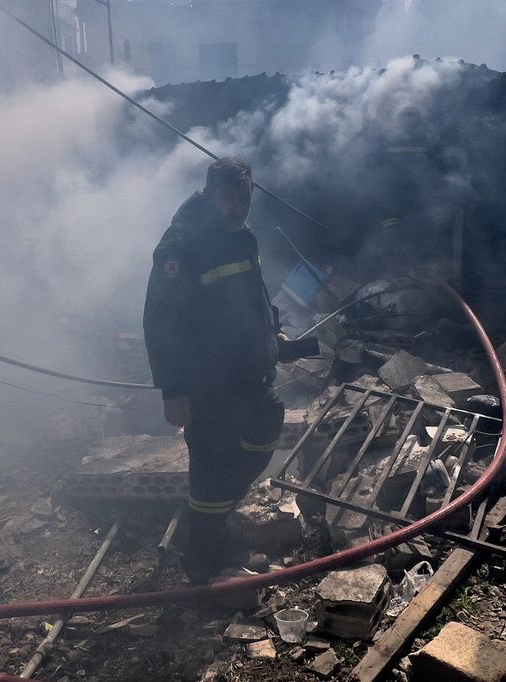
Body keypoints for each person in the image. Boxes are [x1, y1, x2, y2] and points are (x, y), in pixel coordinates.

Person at [142, 157, 286, 583]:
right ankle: (202, 563)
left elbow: (252, 298)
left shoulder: (242, 238)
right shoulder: (183, 246)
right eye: (231, 196)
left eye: (245, 196)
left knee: (265, 429)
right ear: (210, 195)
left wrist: (272, 335)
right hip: (207, 383)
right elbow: (160, 320)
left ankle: (215, 527)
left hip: (248, 374)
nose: (239, 205)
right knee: (212, 465)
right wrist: (173, 390)